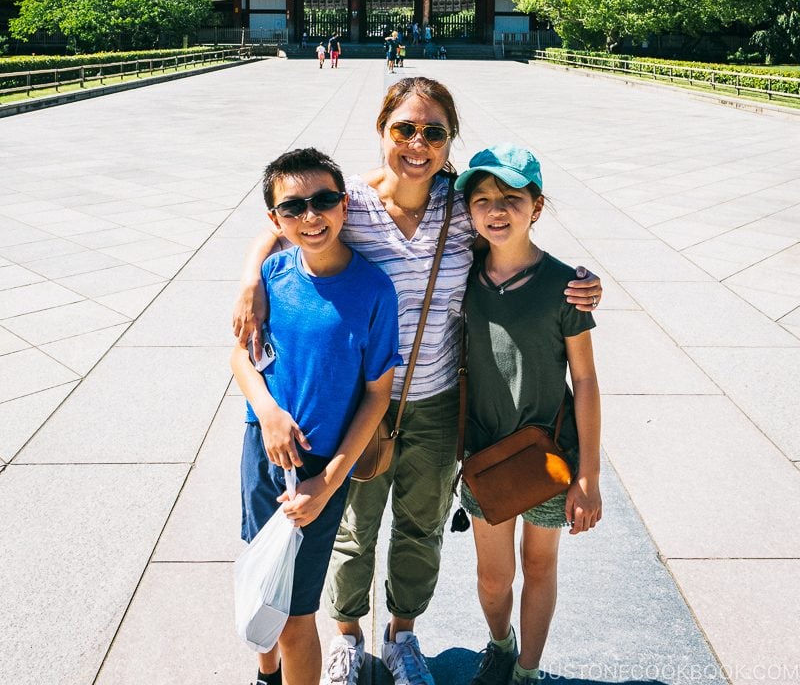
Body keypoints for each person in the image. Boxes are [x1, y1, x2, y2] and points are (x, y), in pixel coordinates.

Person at [232, 78, 603, 685]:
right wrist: (251, 280)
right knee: (354, 525)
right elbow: (280, 225)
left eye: (433, 132)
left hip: (437, 399)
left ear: (449, 141)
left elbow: (513, 237)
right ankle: (347, 634)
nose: (417, 143)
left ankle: (403, 633)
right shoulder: (348, 201)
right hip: (362, 405)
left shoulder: (460, 207)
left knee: (420, 525)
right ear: (382, 132)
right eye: (404, 128)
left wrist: (579, 283)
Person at [231, 147, 401, 685]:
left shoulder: (374, 289)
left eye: (324, 200)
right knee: (263, 576)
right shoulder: (273, 277)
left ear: (344, 205)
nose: (311, 216)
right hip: (263, 449)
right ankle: (266, 674)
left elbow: (377, 395)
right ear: (275, 220)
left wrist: (328, 485)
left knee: (297, 610)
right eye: (294, 207)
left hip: (322, 467)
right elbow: (240, 354)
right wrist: (268, 411)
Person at [455, 145, 602, 685]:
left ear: (536, 206)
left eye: (512, 199)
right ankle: (500, 641)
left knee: (541, 567)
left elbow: (584, 380)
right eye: (484, 200)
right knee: (494, 578)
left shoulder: (566, 285)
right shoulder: (462, 275)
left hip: (548, 459)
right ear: (469, 210)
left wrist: (588, 474)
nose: (497, 210)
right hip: (485, 455)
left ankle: (528, 670)